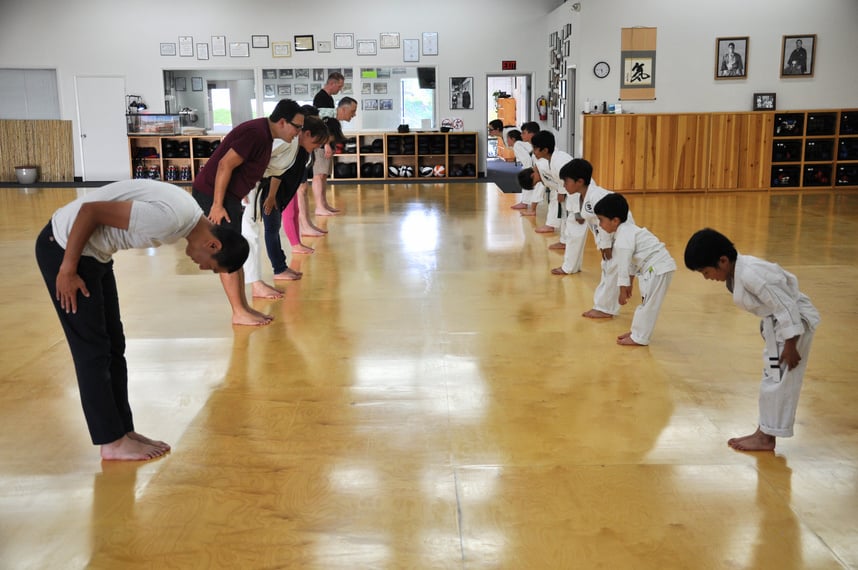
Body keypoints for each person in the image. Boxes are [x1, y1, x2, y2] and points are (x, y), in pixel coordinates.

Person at [34, 179, 249, 461]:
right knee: (92, 351)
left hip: (94, 254)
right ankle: (110, 442)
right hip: (64, 249)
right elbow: (90, 212)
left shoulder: (188, 214)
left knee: (114, 344)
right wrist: (67, 268)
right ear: (212, 243)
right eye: (211, 265)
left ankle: (122, 431)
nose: (202, 266)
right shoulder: (170, 221)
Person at [684, 228, 821, 451]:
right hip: (779, 327)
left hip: (794, 327)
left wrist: (790, 346)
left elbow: (787, 307)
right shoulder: (736, 273)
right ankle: (764, 431)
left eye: (706, 272)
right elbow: (771, 307)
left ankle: (767, 437)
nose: (707, 278)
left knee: (779, 381)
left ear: (723, 260)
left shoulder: (752, 275)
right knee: (771, 376)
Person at [192, 98, 304, 326]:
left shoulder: (265, 135)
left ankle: (243, 308)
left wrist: (239, 191)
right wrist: (217, 204)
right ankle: (238, 312)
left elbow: (243, 168)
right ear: (282, 121)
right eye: (297, 127)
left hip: (228, 197)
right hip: (214, 196)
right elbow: (225, 164)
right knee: (227, 255)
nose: (299, 132)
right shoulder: (256, 133)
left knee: (236, 253)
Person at [555, 159, 636, 320]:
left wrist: (605, 245)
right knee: (608, 267)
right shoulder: (584, 195)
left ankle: (605, 308)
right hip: (608, 233)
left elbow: (604, 219)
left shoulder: (596, 195)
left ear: (580, 181)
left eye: (566, 181)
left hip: (617, 232)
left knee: (611, 267)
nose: (564, 185)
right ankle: (605, 306)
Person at [593, 193, 675, 345]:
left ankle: (639, 337)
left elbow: (623, 265)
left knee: (648, 304)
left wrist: (623, 290)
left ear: (615, 220)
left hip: (657, 268)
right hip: (654, 269)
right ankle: (638, 332)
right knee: (646, 302)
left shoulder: (623, 236)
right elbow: (631, 262)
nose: (600, 225)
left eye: (601, 220)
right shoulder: (626, 230)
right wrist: (630, 282)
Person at [260, 115, 329, 273]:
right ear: (306, 134)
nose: (317, 147)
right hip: (269, 192)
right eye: (316, 142)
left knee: (274, 227)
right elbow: (274, 169)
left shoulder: (302, 151)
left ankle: (281, 267)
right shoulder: (287, 145)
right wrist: (271, 197)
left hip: (278, 194)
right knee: (271, 229)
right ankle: (279, 269)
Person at [310, 96, 357, 217]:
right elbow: (316, 127)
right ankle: (319, 207)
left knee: (324, 175)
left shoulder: (334, 118)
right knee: (318, 175)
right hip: (318, 145)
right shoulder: (327, 113)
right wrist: (326, 144)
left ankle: (324, 204)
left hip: (324, 144)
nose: (354, 114)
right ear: (343, 109)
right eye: (352, 111)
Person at [531, 131, 573, 245]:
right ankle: (564, 242)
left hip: (577, 190)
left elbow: (568, 177)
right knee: (566, 215)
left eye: (535, 149)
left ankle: (565, 242)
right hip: (570, 190)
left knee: (572, 218)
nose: (534, 152)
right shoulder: (551, 160)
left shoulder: (559, 160)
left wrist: (561, 192)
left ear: (545, 150)